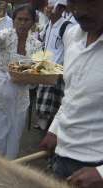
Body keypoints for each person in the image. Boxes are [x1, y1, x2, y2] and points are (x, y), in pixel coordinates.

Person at [39, 0, 103, 187]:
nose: (79, 11)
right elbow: (72, 93)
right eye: (73, 4)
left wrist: (101, 173)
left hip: (95, 167)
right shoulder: (72, 36)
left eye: (89, 3)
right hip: (62, 156)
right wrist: (55, 129)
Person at [0, 4, 42, 159]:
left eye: (26, 20)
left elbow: (37, 70)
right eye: (19, 19)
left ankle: (9, 169)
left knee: (15, 134)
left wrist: (33, 76)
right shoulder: (6, 34)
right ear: (13, 20)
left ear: (33, 22)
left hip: (21, 94)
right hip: (0, 91)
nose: (22, 23)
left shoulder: (36, 44)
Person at [34, 0, 71, 130]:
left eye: (51, 7)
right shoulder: (48, 25)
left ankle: (50, 127)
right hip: (45, 68)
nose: (47, 10)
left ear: (61, 10)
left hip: (57, 71)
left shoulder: (67, 27)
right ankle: (43, 123)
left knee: (53, 100)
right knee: (42, 97)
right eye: (47, 7)